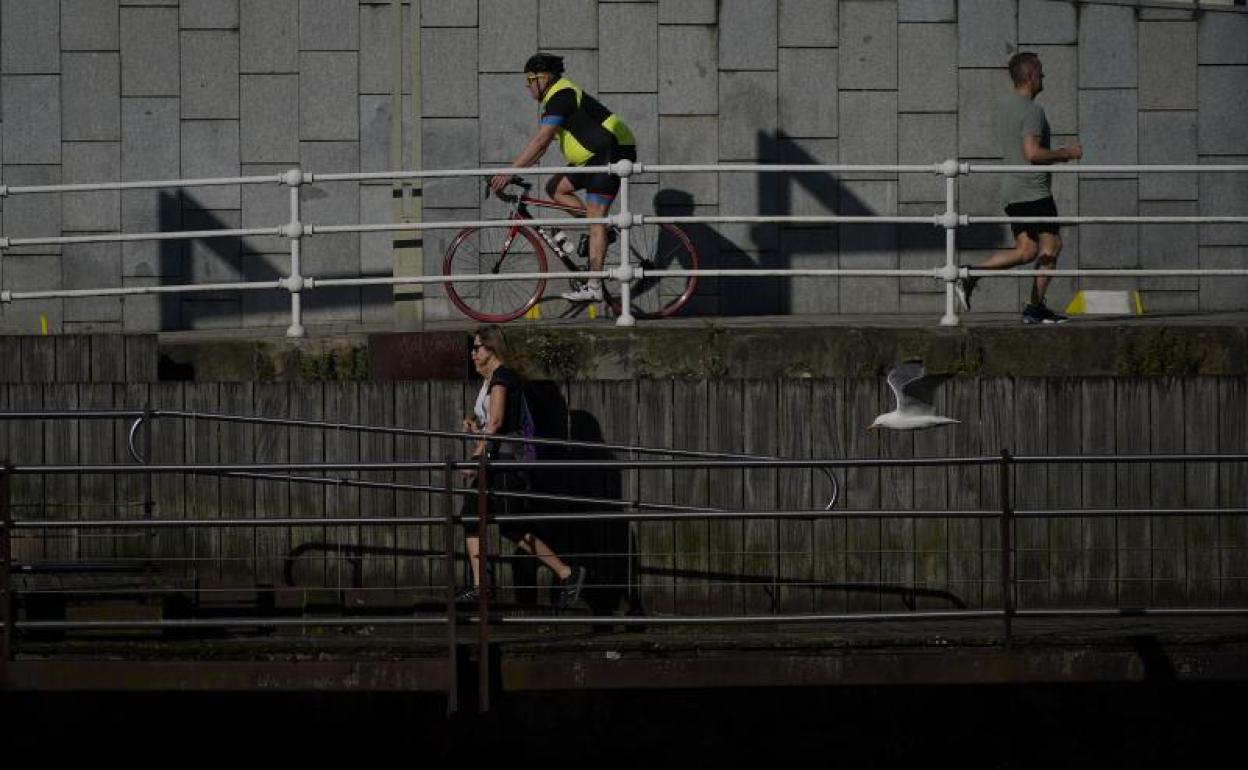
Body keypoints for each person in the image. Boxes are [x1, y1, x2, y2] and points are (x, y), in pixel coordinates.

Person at [489, 52, 637, 304]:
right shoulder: (556, 98)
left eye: (529, 80)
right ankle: (602, 230)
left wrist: (509, 172)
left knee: (595, 217)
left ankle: (594, 285)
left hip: (611, 152)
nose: (528, 87)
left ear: (543, 78)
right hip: (592, 157)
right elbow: (542, 149)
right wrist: (514, 172)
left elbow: (541, 140)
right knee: (555, 188)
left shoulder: (561, 96)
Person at [458, 324, 586, 608]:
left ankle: (566, 572)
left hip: (503, 464)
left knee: (502, 523)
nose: (473, 353)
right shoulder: (494, 378)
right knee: (479, 518)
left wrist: (474, 460)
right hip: (499, 461)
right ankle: (483, 585)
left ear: (491, 348)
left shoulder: (502, 377)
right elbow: (492, 423)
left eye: (477, 347)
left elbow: (497, 422)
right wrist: (474, 428)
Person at [956, 52, 1082, 324]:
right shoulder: (1032, 110)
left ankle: (969, 274)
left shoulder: (1006, 106)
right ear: (1030, 76)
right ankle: (1035, 309)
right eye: (1041, 72)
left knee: (1026, 250)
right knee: (1053, 245)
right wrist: (1067, 153)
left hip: (1013, 191)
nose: (1044, 77)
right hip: (1034, 191)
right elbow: (1033, 153)